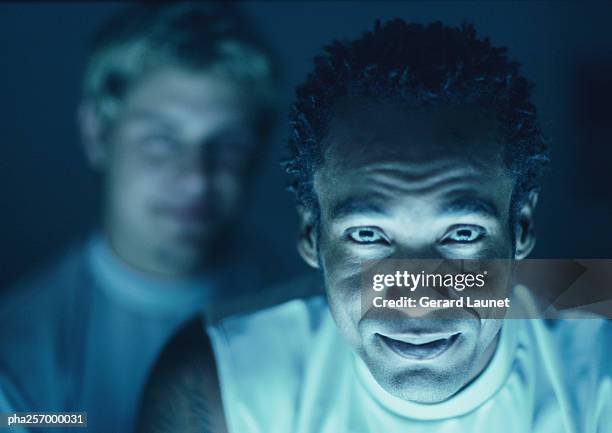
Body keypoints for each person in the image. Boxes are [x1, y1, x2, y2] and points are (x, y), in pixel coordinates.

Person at [138, 20, 612, 433]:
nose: (419, 301)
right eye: (368, 235)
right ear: (311, 236)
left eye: (461, 234)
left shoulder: (600, 347)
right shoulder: (220, 375)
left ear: (521, 227)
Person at [0, 3, 281, 432]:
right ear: (96, 134)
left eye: (229, 143)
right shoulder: (20, 362)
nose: (196, 178)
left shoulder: (313, 312)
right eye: (161, 139)